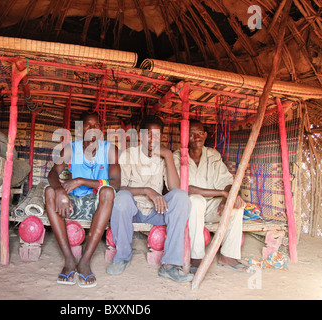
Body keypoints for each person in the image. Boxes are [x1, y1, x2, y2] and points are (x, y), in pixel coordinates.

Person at [106, 115, 193, 282]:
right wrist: (147, 191)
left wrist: (168, 156)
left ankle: (170, 265)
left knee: (181, 197)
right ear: (140, 134)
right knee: (122, 198)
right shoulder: (129, 154)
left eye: (157, 135)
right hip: (134, 210)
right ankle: (122, 257)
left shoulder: (165, 155)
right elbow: (118, 187)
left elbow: (175, 189)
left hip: (157, 211)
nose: (153, 139)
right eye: (149, 134)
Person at [45, 111, 120, 288]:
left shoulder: (111, 150)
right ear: (81, 128)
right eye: (87, 125)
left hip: (99, 204)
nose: (92, 129)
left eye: (96, 125)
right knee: (49, 192)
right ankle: (69, 259)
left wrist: (80, 180)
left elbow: (116, 184)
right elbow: (52, 174)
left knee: (108, 192)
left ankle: (85, 261)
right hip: (75, 202)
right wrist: (59, 191)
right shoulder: (71, 148)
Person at [173, 119, 247, 272]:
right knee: (196, 200)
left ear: (205, 135)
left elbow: (227, 181)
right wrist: (221, 193)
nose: (197, 138)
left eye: (200, 133)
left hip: (212, 206)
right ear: (185, 136)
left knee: (237, 207)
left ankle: (228, 256)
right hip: (189, 208)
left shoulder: (213, 155)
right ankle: (196, 257)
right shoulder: (177, 156)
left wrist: (226, 199)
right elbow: (185, 188)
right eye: (192, 134)